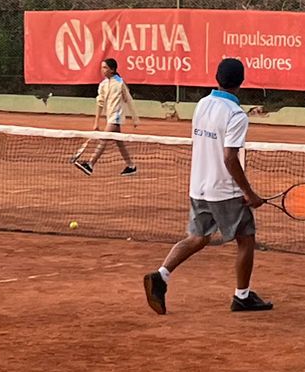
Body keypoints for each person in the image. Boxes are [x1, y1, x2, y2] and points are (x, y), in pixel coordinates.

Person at [142, 58, 273, 315]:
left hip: (198, 186)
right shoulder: (236, 115)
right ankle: (242, 297)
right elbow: (229, 157)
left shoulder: (202, 104)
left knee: (198, 238)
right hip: (224, 190)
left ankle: (162, 275)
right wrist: (249, 193)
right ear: (241, 82)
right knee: (246, 239)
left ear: (217, 78)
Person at [72, 58, 138, 177]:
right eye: (102, 67)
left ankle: (90, 164)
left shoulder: (120, 83)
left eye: (105, 67)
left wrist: (135, 118)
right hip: (109, 116)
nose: (102, 70)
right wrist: (96, 122)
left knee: (104, 138)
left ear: (112, 70)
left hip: (116, 116)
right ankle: (131, 166)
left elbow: (128, 99)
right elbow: (100, 103)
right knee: (119, 142)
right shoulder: (103, 84)